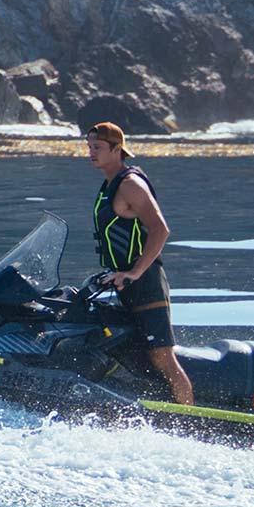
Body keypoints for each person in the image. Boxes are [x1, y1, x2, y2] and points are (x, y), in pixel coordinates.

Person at [83, 119, 197, 407]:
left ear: (117, 149)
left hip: (146, 283)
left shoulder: (130, 184)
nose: (91, 153)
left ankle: (190, 418)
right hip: (125, 282)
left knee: (161, 356)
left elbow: (160, 230)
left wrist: (134, 272)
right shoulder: (109, 184)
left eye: (97, 147)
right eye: (88, 147)